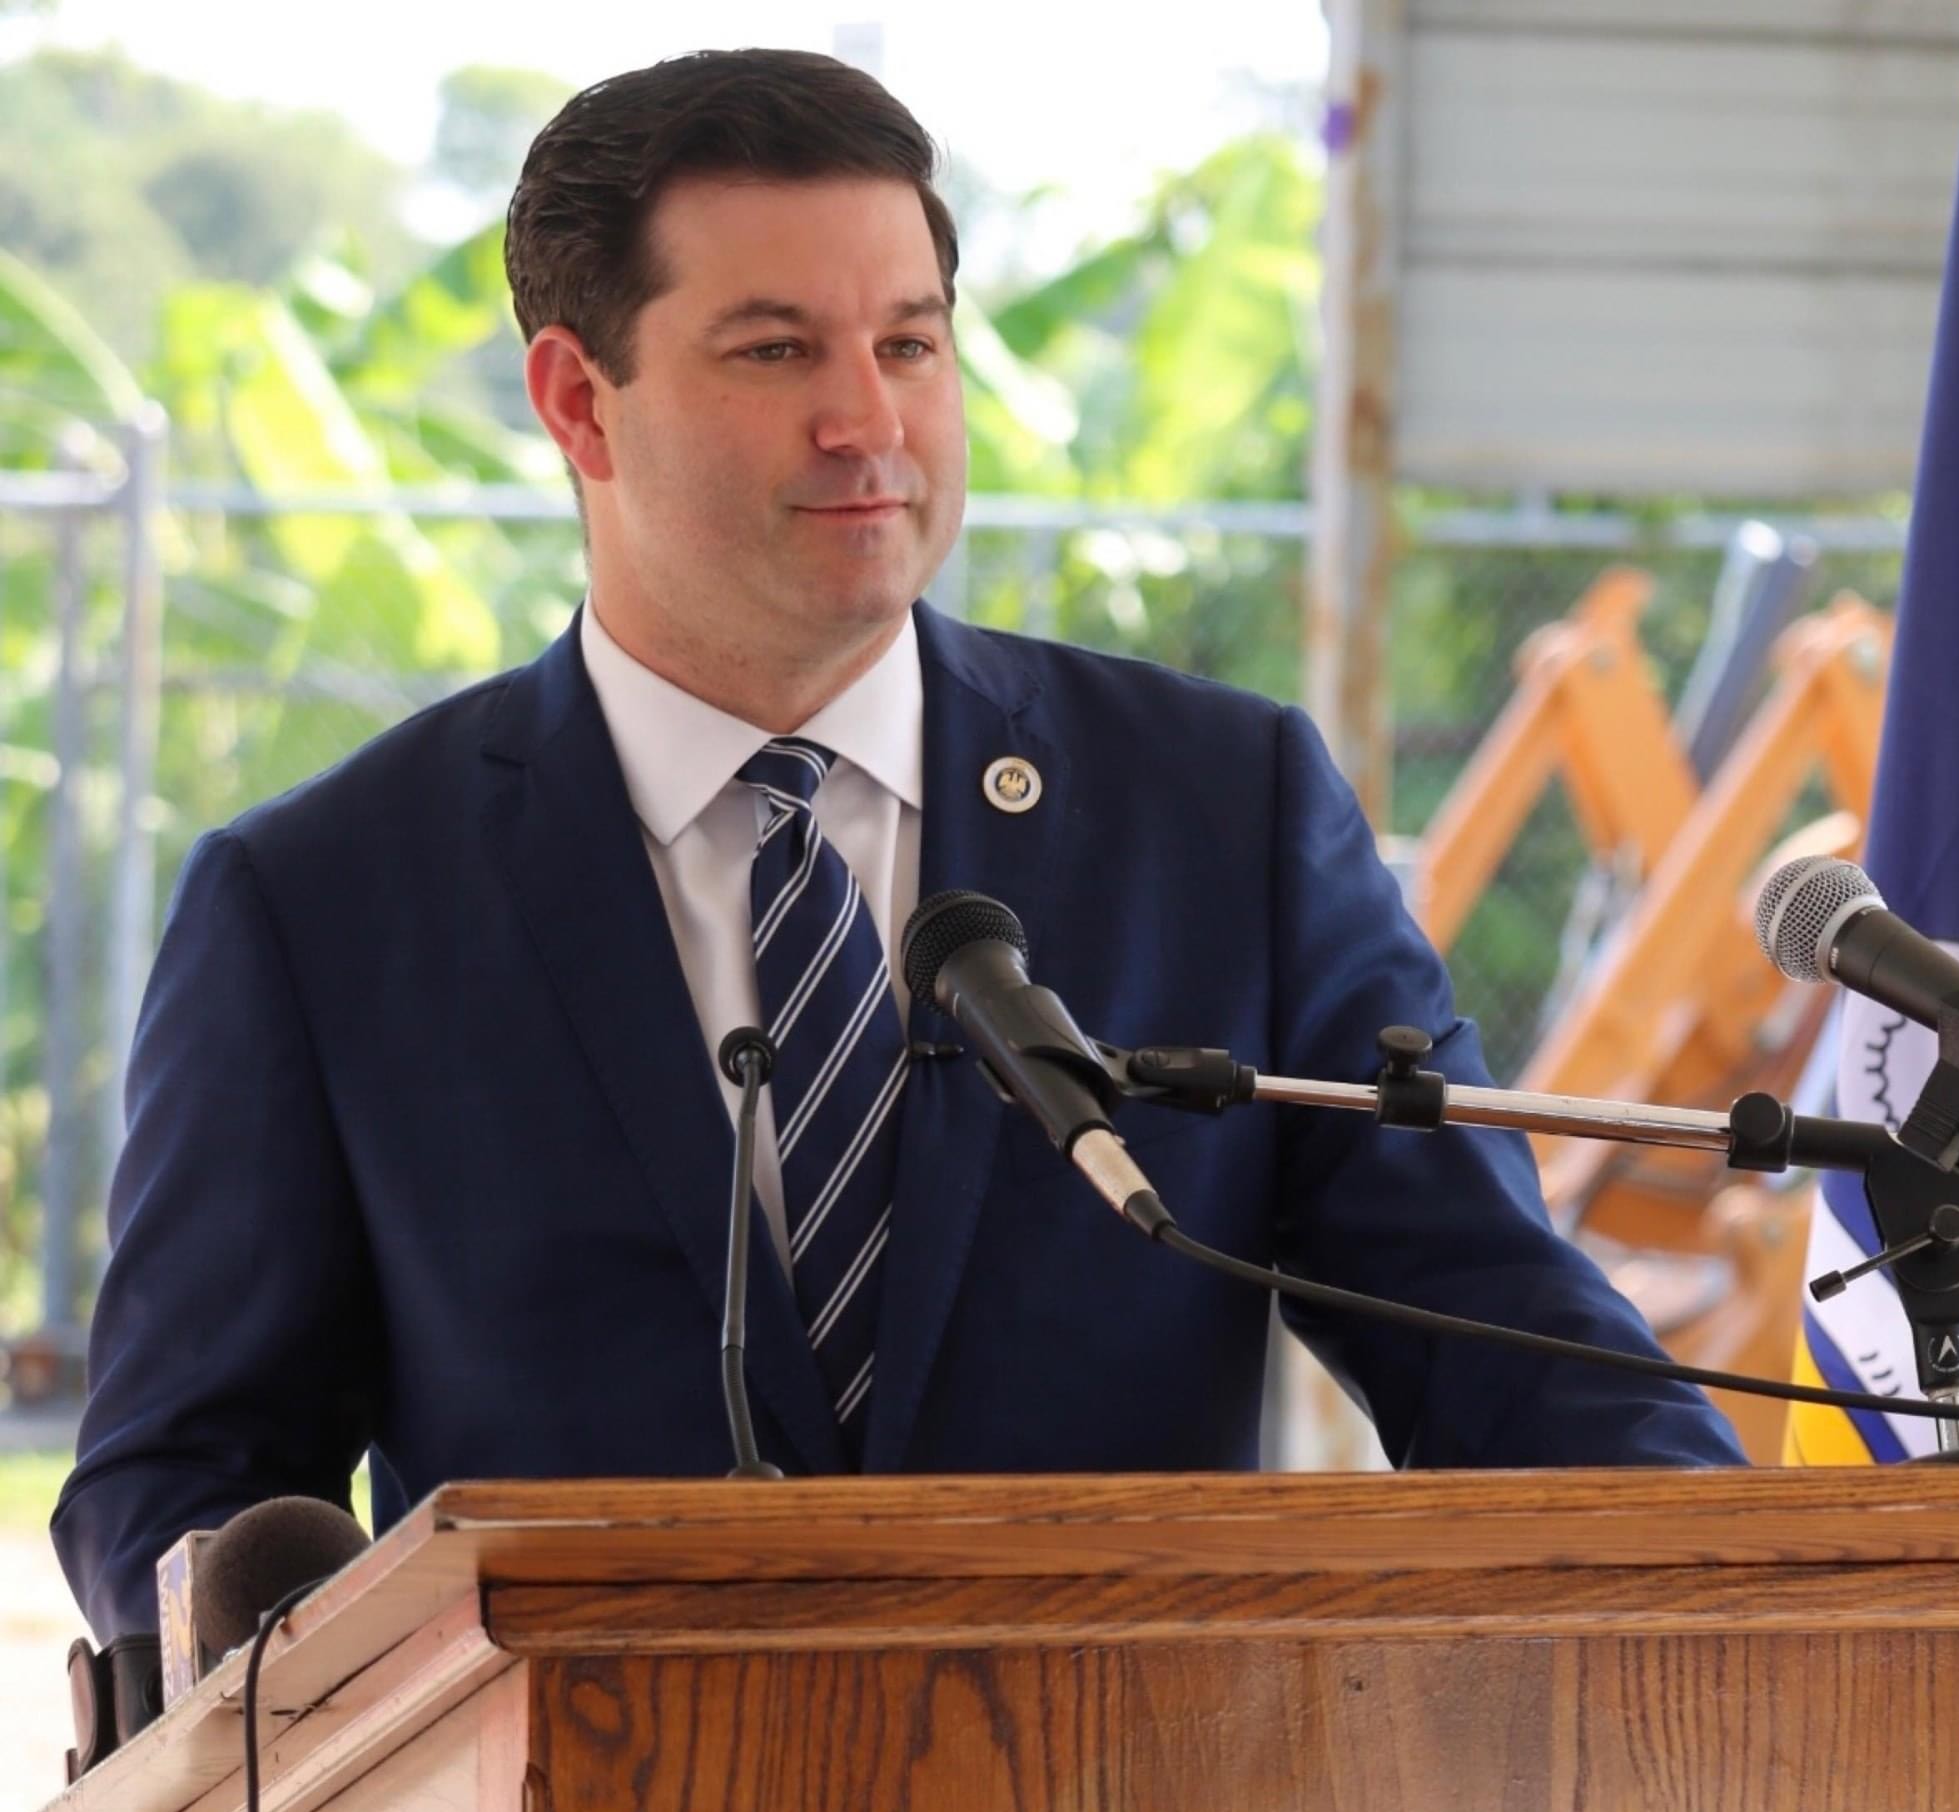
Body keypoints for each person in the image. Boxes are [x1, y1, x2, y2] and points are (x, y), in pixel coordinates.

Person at [53, 49, 1741, 1643]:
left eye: (913, 346)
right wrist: (282, 1675)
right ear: (579, 401)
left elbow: (1506, 1344)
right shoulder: (327, 903)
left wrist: (1763, 1584)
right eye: (778, 351)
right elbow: (184, 1484)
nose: (869, 420)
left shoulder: (1219, 813)